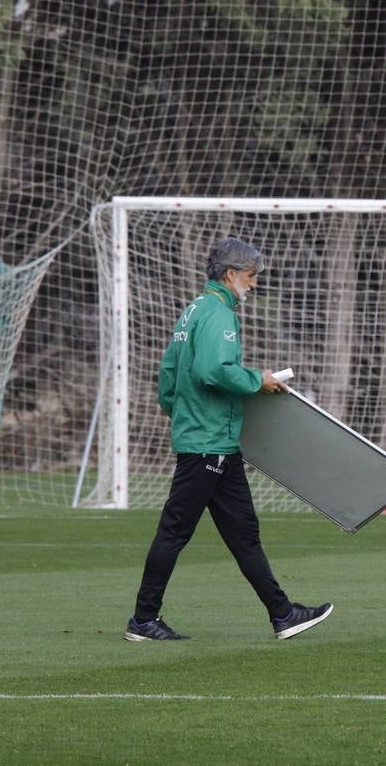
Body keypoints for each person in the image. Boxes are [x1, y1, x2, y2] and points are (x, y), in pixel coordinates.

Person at [124, 237, 333, 642]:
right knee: (175, 531)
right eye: (252, 277)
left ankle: (283, 614)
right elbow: (214, 370)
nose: (254, 285)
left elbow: (167, 379)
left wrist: (184, 415)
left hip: (211, 441)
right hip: (208, 443)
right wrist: (260, 379)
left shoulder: (192, 311)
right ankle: (143, 620)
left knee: (243, 534)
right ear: (230, 274)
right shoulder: (219, 313)